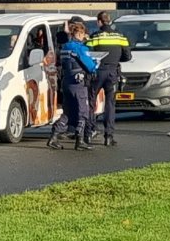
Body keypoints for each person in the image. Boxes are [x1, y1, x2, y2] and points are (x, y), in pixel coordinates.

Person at [47, 21, 97, 151]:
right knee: (83, 112)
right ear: (79, 33)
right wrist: (96, 62)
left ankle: (53, 137)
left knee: (68, 112)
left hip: (66, 82)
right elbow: (90, 67)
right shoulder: (80, 48)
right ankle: (79, 140)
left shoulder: (65, 47)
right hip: (78, 83)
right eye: (83, 34)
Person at [86, 11, 131, 146]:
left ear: (99, 22)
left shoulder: (95, 37)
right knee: (110, 104)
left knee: (91, 101)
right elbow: (128, 56)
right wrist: (116, 59)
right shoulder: (120, 37)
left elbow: (88, 54)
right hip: (113, 71)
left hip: (98, 71)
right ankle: (109, 136)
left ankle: (89, 132)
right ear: (109, 21)